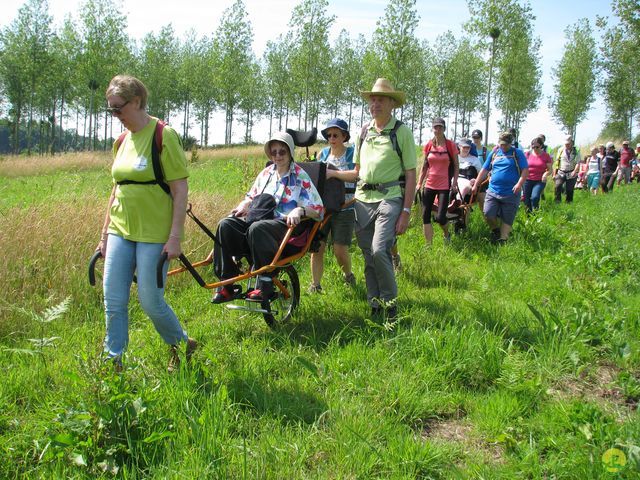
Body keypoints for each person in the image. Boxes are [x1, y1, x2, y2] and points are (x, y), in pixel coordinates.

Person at [98, 74, 196, 372]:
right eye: (110, 109)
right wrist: (104, 235)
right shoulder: (121, 141)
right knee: (113, 300)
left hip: (154, 233)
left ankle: (181, 344)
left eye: (119, 108)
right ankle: (113, 362)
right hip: (119, 230)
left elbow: (180, 191)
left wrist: (175, 237)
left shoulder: (163, 136)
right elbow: (117, 189)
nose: (115, 116)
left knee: (150, 300)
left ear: (137, 101)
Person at [325, 78, 417, 319]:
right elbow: (356, 172)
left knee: (379, 250)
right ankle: (375, 303)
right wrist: (332, 173)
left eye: (380, 99)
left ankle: (390, 303)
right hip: (363, 199)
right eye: (372, 99)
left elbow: (410, 173)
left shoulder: (401, 132)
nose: (375, 103)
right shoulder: (363, 132)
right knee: (367, 253)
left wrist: (406, 211)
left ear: (392, 104)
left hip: (391, 198)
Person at [212, 132, 324, 303]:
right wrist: (245, 204)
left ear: (290, 152)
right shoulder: (266, 174)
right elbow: (251, 197)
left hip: (286, 226)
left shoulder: (300, 176)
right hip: (259, 221)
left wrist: (299, 210)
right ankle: (227, 284)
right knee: (225, 224)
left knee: (258, 228)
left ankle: (265, 285)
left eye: (282, 152)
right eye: (274, 152)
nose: (277, 156)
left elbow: (318, 209)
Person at [309, 118, 356, 292]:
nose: (332, 138)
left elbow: (356, 175)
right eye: (329, 135)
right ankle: (315, 285)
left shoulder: (352, 154)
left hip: (346, 206)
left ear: (344, 136)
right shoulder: (323, 154)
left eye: (336, 134)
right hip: (324, 207)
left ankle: (348, 276)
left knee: (339, 249)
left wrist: (333, 173)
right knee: (317, 247)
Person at [471, 132, 528, 243]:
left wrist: (519, 184)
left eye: (505, 144)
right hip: (493, 190)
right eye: (501, 144)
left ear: (510, 143)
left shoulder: (518, 153)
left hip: (511, 192)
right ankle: (495, 230)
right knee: (487, 213)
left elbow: (525, 170)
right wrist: (476, 184)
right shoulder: (495, 153)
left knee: (507, 218)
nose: (503, 146)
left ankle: (503, 240)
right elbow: (484, 170)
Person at [417, 117, 459, 245]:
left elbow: (456, 165)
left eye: (440, 127)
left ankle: (447, 234)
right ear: (433, 128)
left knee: (440, 217)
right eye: (436, 127)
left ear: (444, 128)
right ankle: (428, 245)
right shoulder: (429, 145)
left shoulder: (450, 145)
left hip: (444, 185)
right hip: (429, 184)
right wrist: (419, 183)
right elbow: (425, 165)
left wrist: (455, 182)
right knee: (425, 215)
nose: (438, 129)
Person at [523, 137, 552, 212]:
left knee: (535, 197)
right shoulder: (527, 154)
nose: (535, 148)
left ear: (541, 146)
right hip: (527, 180)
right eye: (533, 147)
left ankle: (535, 214)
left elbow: (550, 170)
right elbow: (522, 166)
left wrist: (545, 174)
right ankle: (528, 217)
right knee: (526, 199)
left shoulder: (546, 156)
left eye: (537, 147)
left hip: (539, 180)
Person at [553, 135, 580, 203]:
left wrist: (574, 171)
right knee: (557, 186)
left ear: (572, 142)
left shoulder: (576, 150)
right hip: (561, 172)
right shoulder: (560, 150)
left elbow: (578, 163)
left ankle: (569, 203)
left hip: (571, 172)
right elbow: (557, 162)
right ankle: (557, 202)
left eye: (568, 144)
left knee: (569, 190)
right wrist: (554, 174)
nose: (567, 145)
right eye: (565, 144)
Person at [457, 138, 482, 203]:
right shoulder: (455, 157)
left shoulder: (475, 160)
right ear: (459, 146)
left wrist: (476, 180)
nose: (466, 149)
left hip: (468, 182)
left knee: (465, 188)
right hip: (454, 180)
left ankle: (458, 201)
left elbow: (481, 174)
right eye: (464, 147)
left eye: (468, 148)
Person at [471, 129, 488, 210]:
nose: (475, 140)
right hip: (471, 179)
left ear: (481, 138)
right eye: (474, 137)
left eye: (477, 137)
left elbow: (490, 166)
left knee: (483, 201)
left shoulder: (486, 151)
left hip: (483, 180)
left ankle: (486, 220)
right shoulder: (469, 150)